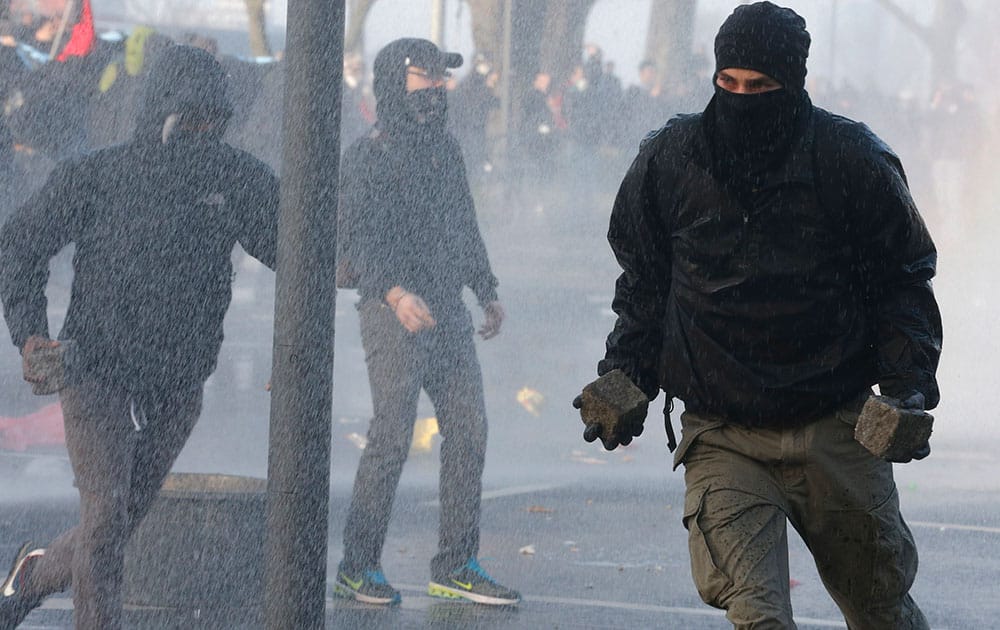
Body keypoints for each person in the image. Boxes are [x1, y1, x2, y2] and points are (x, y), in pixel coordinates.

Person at [578, 3, 941, 628]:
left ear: (794, 84)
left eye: (762, 87)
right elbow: (644, 285)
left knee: (880, 610)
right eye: (729, 83)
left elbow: (902, 279)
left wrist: (907, 388)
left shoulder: (849, 158)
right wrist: (626, 374)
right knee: (758, 616)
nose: (743, 99)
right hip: (723, 434)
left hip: (835, 426)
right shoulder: (670, 160)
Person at [0, 45, 278, 629]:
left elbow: (297, 251)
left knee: (117, 523)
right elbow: (19, 246)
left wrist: (350, 288)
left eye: (214, 122)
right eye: (191, 119)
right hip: (96, 371)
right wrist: (29, 334)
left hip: (180, 381)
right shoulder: (98, 174)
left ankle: (34, 575)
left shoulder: (235, 178)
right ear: (161, 113)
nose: (203, 133)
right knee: (104, 520)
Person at [333, 37, 519, 607]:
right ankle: (357, 566)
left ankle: (455, 564)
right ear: (395, 82)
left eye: (442, 77)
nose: (437, 88)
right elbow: (347, 245)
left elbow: (463, 223)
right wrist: (391, 293)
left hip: (448, 312)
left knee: (470, 430)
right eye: (424, 76)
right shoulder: (368, 154)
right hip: (394, 314)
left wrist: (485, 289)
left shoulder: (446, 150)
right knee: (391, 437)